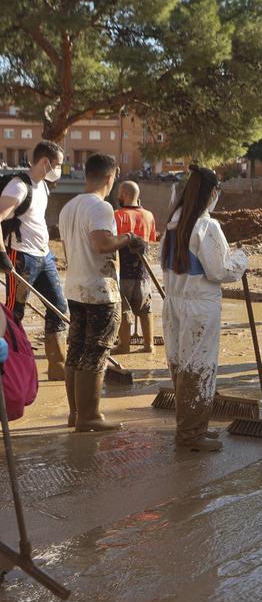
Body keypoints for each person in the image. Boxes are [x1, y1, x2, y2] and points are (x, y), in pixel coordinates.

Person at [161, 165, 249, 451]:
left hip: (174, 303)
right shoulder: (207, 226)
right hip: (199, 306)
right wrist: (240, 259)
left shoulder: (173, 222)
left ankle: (191, 428)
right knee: (199, 368)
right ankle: (190, 435)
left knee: (180, 365)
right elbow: (219, 271)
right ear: (211, 193)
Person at [58, 155, 146, 433]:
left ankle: (76, 414)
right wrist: (129, 239)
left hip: (75, 287)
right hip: (99, 291)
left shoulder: (69, 207)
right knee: (95, 353)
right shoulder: (100, 207)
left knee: (76, 351)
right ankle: (90, 416)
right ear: (110, 178)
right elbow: (102, 243)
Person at [0, 140, 69, 380]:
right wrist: (1, 253)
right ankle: (9, 370)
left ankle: (57, 367)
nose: (60, 169)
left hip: (45, 256)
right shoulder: (18, 187)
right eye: (58, 164)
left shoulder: (43, 187)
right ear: (45, 162)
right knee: (13, 314)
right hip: (21, 258)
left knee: (59, 308)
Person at [112, 180, 158, 354]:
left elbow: (111, 242)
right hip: (143, 272)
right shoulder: (148, 215)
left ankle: (124, 345)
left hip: (122, 271)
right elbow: (151, 240)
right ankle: (149, 345)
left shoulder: (117, 215)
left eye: (119, 194)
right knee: (146, 308)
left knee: (124, 309)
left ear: (124, 195)